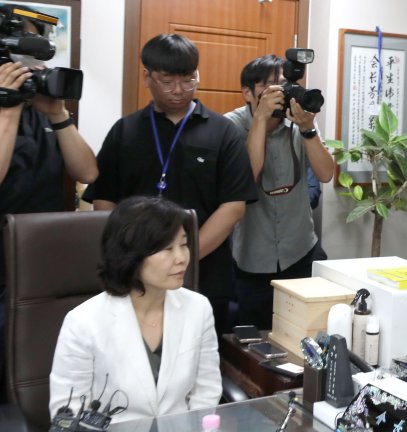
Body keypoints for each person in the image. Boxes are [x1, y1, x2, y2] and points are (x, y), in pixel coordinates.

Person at [84, 34, 257, 337]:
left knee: (199, 359)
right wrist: (137, 259)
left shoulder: (223, 132)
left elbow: (233, 207)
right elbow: (105, 201)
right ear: (147, 77)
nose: (179, 90)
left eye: (188, 80)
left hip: (205, 274)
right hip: (135, 274)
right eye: (166, 81)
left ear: (197, 75)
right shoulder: (125, 131)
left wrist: (183, 257)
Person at [49, 196, 222, 424]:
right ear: (131, 256)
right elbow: (68, 410)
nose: (181, 258)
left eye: (183, 244)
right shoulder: (83, 322)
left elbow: (206, 390)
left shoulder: (198, 308)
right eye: (167, 248)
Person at [0, 5, 98, 403]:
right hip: (2, 262)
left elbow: (88, 172)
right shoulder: (9, 109)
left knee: (41, 363)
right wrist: (7, 112)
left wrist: (58, 115)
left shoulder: (41, 107)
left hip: (44, 257)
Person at [224, 54, 333, 330]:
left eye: (282, 85)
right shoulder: (230, 127)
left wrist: (308, 128)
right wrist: (260, 119)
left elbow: (326, 173)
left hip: (300, 249)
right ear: (247, 93)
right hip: (252, 258)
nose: (279, 93)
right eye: (269, 86)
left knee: (306, 333)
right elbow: (247, 178)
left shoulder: (297, 122)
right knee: (256, 342)